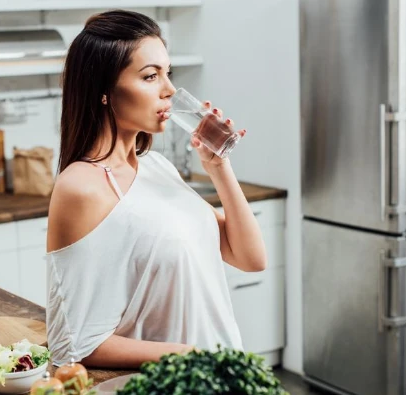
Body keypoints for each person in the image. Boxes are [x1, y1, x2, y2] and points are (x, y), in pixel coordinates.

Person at [46, 9, 266, 369]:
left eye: (168, 74)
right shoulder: (82, 187)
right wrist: (191, 355)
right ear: (104, 92)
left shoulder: (156, 167)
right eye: (150, 76)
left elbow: (251, 258)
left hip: (220, 374)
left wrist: (219, 167)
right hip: (174, 379)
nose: (169, 91)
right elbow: (73, 342)